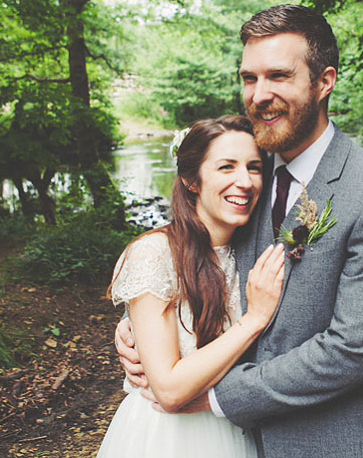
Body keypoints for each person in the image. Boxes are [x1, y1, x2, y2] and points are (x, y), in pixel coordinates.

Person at [117, 4, 363, 458]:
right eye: (248, 78)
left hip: (333, 442)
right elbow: (199, 259)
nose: (259, 94)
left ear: (324, 82)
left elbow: (350, 351)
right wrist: (144, 328)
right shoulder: (244, 178)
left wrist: (214, 398)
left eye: (278, 75)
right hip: (235, 445)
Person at [96, 115, 286, 458]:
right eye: (226, 167)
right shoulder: (154, 254)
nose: (244, 181)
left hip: (238, 425)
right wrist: (253, 320)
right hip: (169, 437)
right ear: (190, 180)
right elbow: (167, 390)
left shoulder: (255, 250)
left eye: (254, 167)